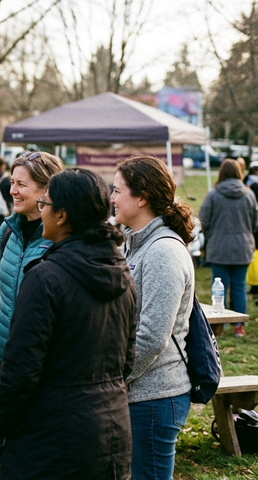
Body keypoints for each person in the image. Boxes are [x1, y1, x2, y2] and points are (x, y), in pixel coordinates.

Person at [0, 169, 136, 479]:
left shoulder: (44, 279)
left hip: (51, 438)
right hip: (110, 430)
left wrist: (1, 424)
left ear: (61, 215)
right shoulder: (122, 274)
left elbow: (21, 369)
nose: (41, 210)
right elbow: (126, 360)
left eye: (45, 203)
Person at [111, 155, 196, 479]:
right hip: (138, 393)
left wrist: (114, 379)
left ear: (142, 198)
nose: (112, 198)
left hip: (155, 395)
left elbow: (152, 336)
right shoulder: (134, 245)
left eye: (118, 190)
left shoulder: (163, 252)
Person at [0, 150, 63, 382]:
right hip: (4, 353)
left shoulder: (60, 236)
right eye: (12, 182)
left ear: (46, 190)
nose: (12, 191)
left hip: (44, 360)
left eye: (21, 184)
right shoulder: (7, 229)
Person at [199, 158, 258, 338]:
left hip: (219, 248)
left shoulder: (213, 195)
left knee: (219, 288)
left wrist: (211, 235)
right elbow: (255, 223)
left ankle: (220, 324)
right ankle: (239, 325)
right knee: (239, 287)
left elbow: (203, 220)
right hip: (243, 247)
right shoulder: (249, 195)